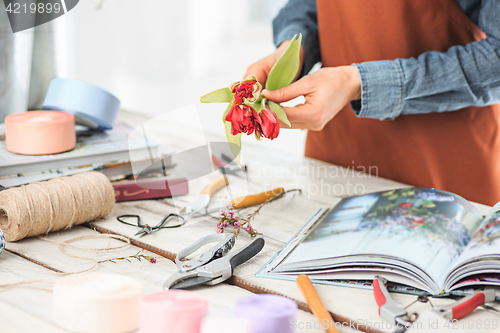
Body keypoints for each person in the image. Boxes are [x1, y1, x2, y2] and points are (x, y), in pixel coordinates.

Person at [244, 0, 500, 205]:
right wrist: (293, 50)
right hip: (338, 154)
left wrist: (359, 83)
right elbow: (309, 5)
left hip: (447, 163)